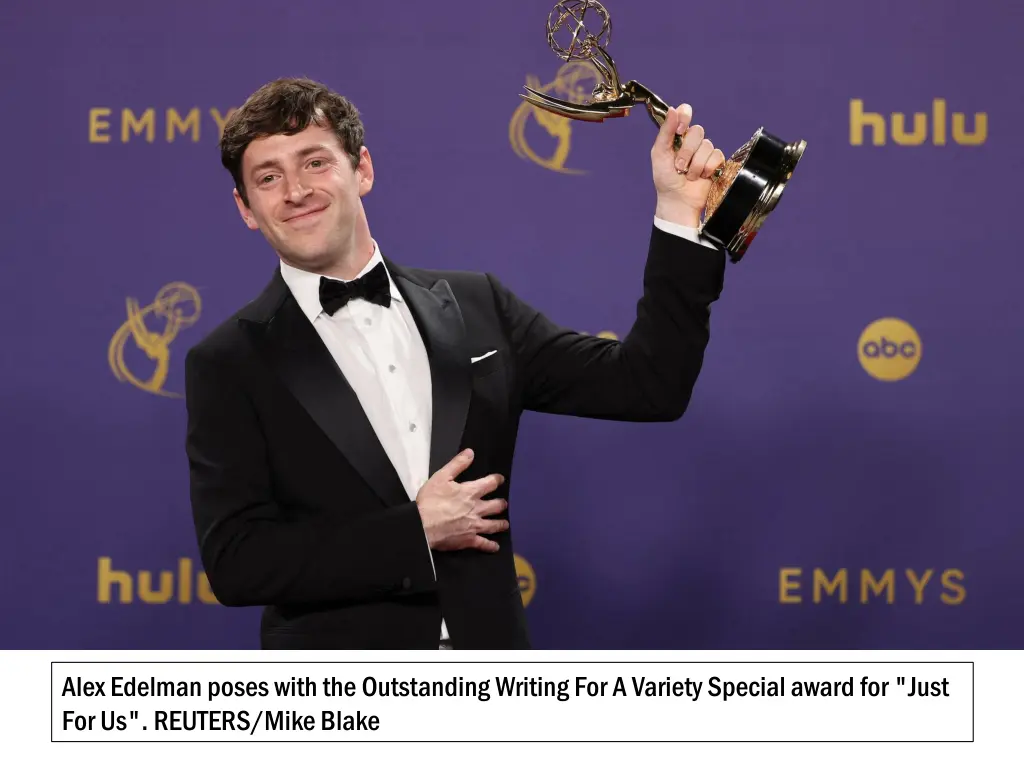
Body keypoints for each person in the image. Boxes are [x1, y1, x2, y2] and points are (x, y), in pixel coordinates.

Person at [184, 77, 727, 650]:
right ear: (247, 209)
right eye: (268, 177)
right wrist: (413, 532)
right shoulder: (229, 362)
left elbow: (649, 386)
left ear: (362, 170)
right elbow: (238, 563)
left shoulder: (477, 306)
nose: (295, 190)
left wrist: (678, 214)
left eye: (315, 163)